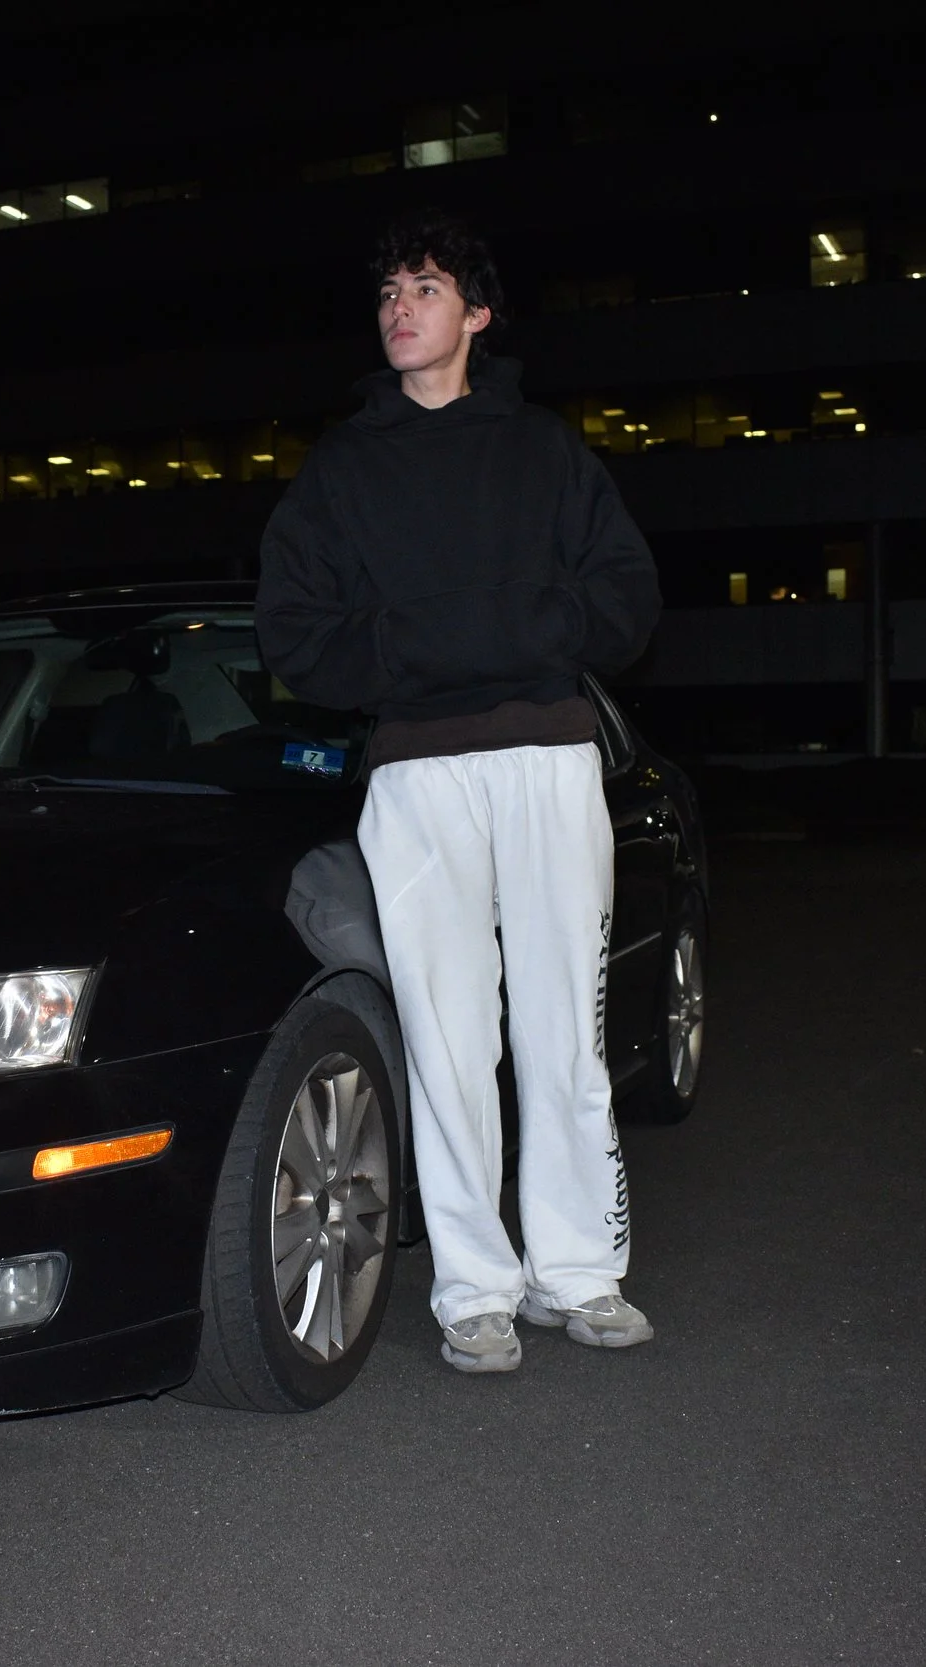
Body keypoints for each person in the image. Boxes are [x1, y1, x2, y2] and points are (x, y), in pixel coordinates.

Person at [255, 210, 662, 1374]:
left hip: (545, 756)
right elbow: (294, 631)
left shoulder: (545, 451)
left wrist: (519, 634)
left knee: (560, 1033)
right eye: (386, 290)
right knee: (444, 1035)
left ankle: (580, 1272)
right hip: (416, 771)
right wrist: (430, 652)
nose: (399, 307)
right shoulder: (339, 472)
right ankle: (476, 1286)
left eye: (423, 287)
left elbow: (625, 597)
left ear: (475, 313)